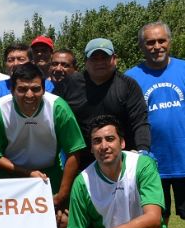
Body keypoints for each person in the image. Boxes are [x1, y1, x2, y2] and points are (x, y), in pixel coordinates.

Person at [125, 21, 185, 228]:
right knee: (157, 224)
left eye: (161, 40)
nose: (156, 46)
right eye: (150, 42)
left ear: (169, 41)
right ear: (142, 46)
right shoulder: (131, 77)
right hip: (150, 164)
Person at [0, 62, 85, 206]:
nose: (29, 95)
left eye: (35, 89)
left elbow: (74, 151)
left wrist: (62, 195)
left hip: (49, 176)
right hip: (8, 177)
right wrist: (27, 173)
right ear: (12, 90)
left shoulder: (58, 107)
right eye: (22, 89)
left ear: (44, 89)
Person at [52, 38, 151, 169]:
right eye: (94, 58)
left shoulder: (128, 86)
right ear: (86, 62)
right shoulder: (68, 84)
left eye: (105, 58)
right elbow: (51, 118)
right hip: (80, 163)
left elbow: (140, 122)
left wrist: (143, 149)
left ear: (114, 59)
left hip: (121, 162)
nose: (100, 63)